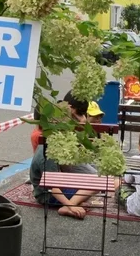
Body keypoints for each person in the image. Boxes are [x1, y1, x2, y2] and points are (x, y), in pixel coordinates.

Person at [29, 91, 98, 219]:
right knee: (96, 182)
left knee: (95, 181)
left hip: (56, 186)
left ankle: (72, 203)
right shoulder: (48, 151)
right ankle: (68, 206)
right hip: (46, 194)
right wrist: (72, 206)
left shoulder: (53, 142)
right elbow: (53, 187)